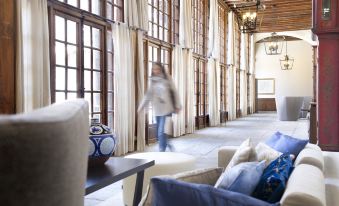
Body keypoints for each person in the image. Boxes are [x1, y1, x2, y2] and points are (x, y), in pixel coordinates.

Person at [138, 62, 181, 152]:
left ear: (161, 69)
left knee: (161, 132)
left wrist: (177, 105)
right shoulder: (152, 80)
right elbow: (148, 95)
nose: (156, 71)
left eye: (157, 69)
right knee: (160, 133)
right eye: (154, 69)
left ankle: (162, 152)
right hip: (157, 110)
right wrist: (141, 106)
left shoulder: (167, 79)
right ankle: (168, 144)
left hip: (167, 109)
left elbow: (175, 92)